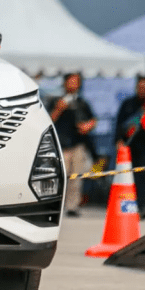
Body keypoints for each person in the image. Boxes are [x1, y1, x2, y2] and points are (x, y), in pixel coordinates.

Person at [47, 72, 96, 217]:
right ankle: (55, 204)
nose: (73, 84)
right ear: (65, 83)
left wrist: (88, 125)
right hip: (61, 144)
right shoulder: (56, 100)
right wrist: (58, 109)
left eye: (76, 82)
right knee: (60, 176)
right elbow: (48, 120)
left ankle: (73, 206)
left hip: (78, 144)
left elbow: (93, 119)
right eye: (71, 81)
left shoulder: (82, 103)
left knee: (76, 176)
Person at [115, 74, 145, 219]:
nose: (142, 89)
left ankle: (144, 206)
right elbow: (119, 125)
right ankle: (128, 206)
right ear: (136, 87)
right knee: (128, 177)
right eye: (140, 87)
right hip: (129, 147)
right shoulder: (128, 104)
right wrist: (118, 141)